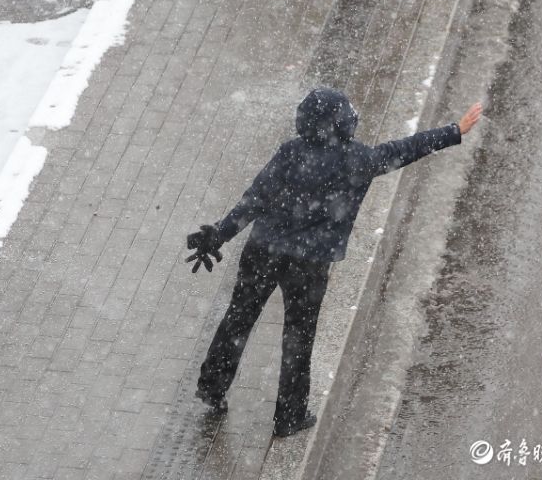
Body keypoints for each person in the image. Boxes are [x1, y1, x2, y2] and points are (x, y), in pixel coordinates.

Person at [186, 88, 482, 437]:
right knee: (298, 335)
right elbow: (406, 149)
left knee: (239, 318)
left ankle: (213, 386)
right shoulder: (358, 160)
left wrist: (219, 234)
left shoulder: (290, 152)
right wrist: (454, 131)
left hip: (262, 251)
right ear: (340, 123)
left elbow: (254, 198)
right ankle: (289, 416)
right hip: (308, 265)